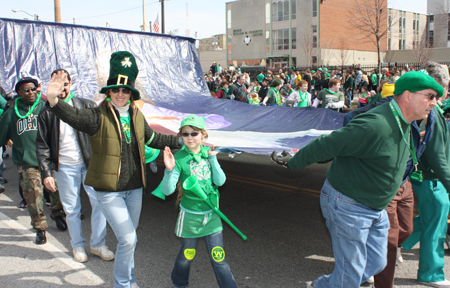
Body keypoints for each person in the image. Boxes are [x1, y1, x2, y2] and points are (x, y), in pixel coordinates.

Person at [270, 71, 443, 288]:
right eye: (429, 96)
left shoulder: (406, 121)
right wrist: (293, 161)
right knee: (349, 277)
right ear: (407, 95)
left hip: (375, 207)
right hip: (348, 204)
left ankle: (322, 285)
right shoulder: (375, 123)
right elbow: (329, 144)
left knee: (377, 263)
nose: (435, 104)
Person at [45, 51, 182, 288]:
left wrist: (181, 140)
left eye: (125, 90)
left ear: (131, 93)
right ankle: (123, 284)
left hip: (135, 189)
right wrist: (54, 101)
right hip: (109, 191)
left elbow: (154, 139)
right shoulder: (97, 116)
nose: (120, 94)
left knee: (128, 239)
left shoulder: (137, 115)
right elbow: (74, 116)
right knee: (128, 239)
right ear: (108, 92)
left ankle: (129, 280)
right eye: (115, 90)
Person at [36, 69, 114, 263]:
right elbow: (42, 144)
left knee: (100, 204)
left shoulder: (85, 105)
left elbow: (101, 134)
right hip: (65, 168)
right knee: (71, 209)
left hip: (89, 165)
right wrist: (46, 172)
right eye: (57, 83)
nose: (62, 88)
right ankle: (77, 246)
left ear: (71, 84)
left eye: (65, 83)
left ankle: (97, 244)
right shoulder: (46, 111)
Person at [161, 115, 237, 288]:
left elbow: (220, 182)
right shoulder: (179, 158)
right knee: (187, 255)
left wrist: (212, 159)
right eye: (185, 134)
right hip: (190, 216)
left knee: (219, 258)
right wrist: (169, 169)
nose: (190, 137)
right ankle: (179, 283)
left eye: (194, 133)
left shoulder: (208, 154)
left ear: (203, 135)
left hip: (212, 215)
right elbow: (167, 191)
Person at [0, 76, 66, 245]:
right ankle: (40, 228)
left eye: (33, 89)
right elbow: (1, 136)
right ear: (18, 93)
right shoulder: (11, 112)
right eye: (25, 90)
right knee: (34, 195)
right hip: (27, 161)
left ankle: (58, 214)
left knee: (56, 190)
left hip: (49, 158)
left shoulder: (46, 106)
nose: (30, 92)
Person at [401, 63, 450, 288]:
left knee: (432, 220)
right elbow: (438, 156)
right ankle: (431, 274)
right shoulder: (434, 115)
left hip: (425, 176)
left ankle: (397, 244)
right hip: (432, 179)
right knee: (436, 227)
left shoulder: (429, 111)